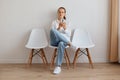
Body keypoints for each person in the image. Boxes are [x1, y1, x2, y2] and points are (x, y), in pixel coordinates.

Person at [50, 7, 71, 74]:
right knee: (53, 30)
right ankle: (69, 43)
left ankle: (58, 67)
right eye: (59, 12)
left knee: (61, 43)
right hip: (54, 41)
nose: (61, 13)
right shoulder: (54, 22)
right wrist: (58, 28)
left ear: (64, 14)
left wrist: (65, 28)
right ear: (57, 13)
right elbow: (52, 33)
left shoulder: (68, 22)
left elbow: (69, 34)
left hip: (62, 42)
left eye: (62, 12)